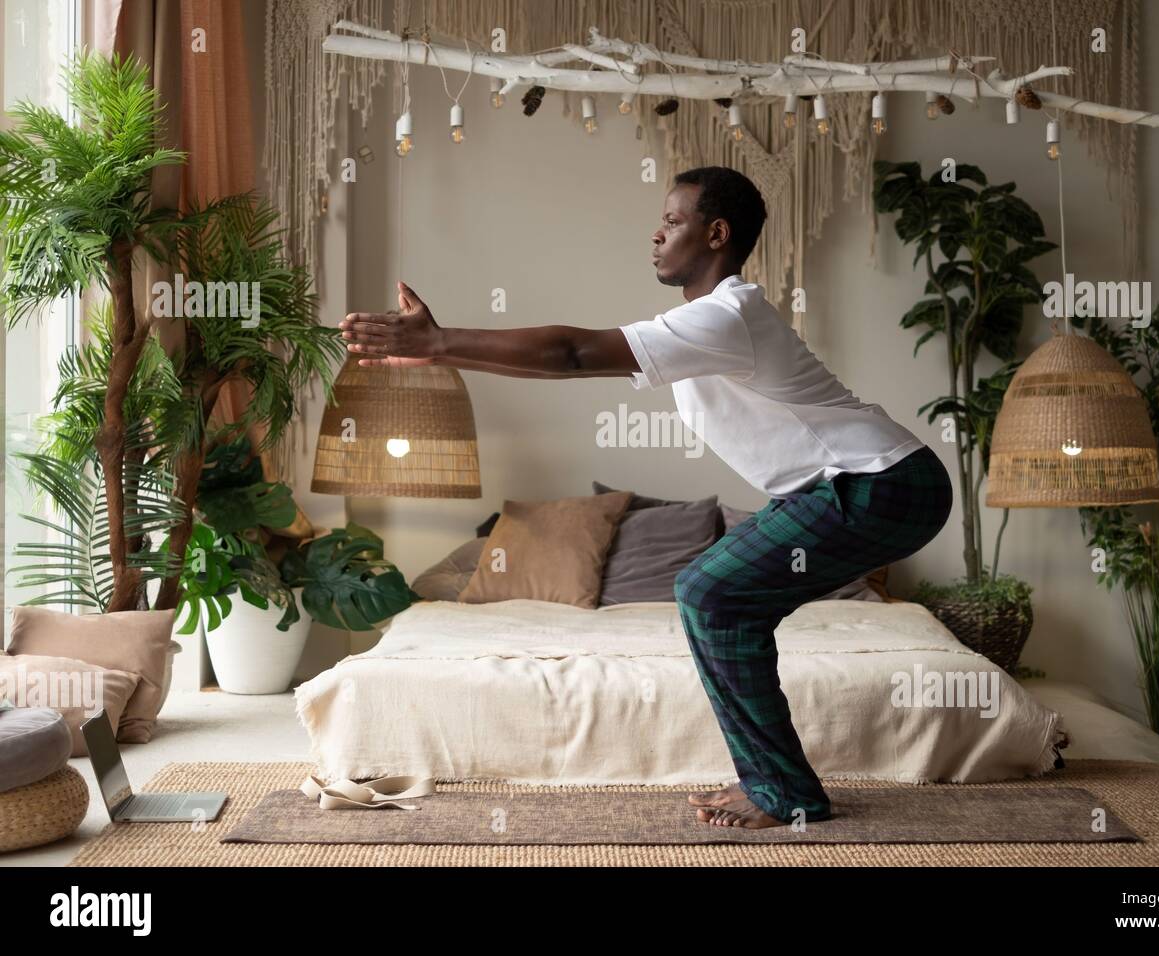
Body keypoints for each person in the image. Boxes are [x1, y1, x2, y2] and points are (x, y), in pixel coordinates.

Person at [339, 165, 953, 829]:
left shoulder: (728, 316)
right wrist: (440, 351)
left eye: (673, 220)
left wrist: (439, 343)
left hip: (884, 481)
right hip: (861, 486)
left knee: (710, 593)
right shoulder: (700, 324)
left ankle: (783, 790)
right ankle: (779, 785)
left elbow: (573, 353)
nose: (655, 234)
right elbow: (576, 356)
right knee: (720, 601)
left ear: (716, 233)